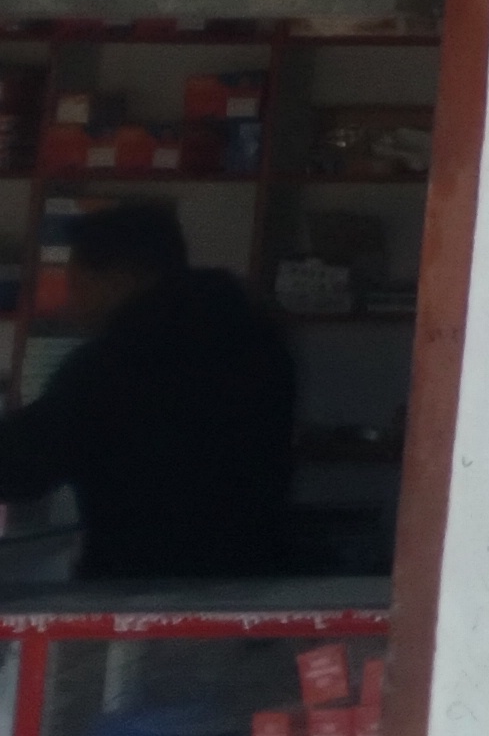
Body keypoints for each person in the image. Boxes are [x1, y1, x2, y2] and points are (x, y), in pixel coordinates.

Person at [0, 201, 300, 579]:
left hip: (142, 580)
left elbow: (24, 464)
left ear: (119, 279)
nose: (70, 305)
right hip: (256, 577)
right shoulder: (260, 346)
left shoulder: (117, 364)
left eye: (78, 285)